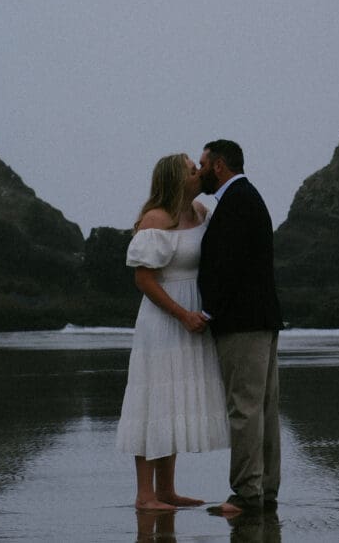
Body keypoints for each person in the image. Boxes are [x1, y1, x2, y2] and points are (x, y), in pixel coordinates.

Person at [116, 153, 229, 511]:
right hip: (164, 320)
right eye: (193, 171)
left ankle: (166, 490)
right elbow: (143, 279)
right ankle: (144, 495)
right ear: (176, 179)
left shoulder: (198, 211)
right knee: (152, 400)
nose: (199, 174)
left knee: (175, 399)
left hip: (193, 314)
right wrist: (182, 314)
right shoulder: (156, 219)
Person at [196, 140, 283, 516]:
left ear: (218, 166)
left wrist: (210, 311)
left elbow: (227, 266)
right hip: (260, 319)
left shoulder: (236, 202)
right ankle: (264, 489)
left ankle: (247, 493)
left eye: (202, 164)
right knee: (263, 407)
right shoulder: (246, 198)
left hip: (242, 323)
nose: (199, 171)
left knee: (245, 408)